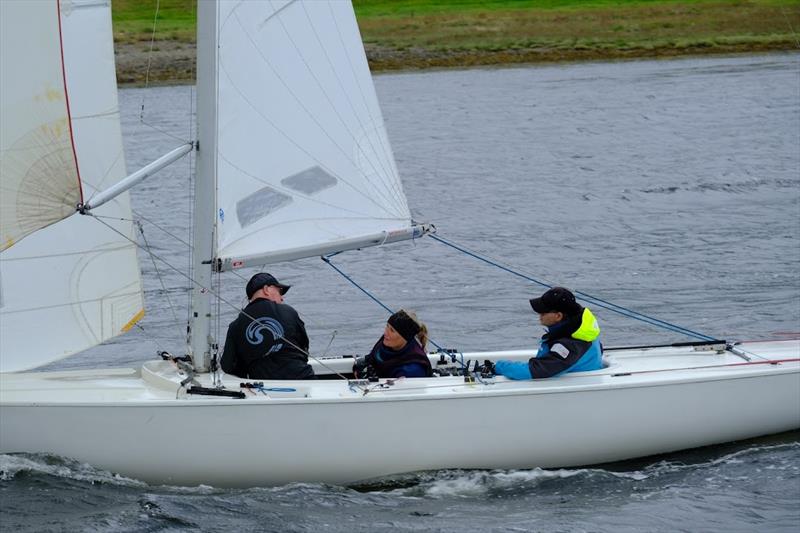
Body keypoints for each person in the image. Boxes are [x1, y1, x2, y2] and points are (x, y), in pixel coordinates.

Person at [220, 272, 315, 380]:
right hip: (303, 380)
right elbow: (304, 347)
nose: (282, 298)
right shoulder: (289, 312)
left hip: (264, 388)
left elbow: (228, 366)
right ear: (266, 289)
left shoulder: (235, 325)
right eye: (279, 292)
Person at [494, 287, 602, 380]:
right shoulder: (581, 330)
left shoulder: (570, 346)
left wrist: (498, 366)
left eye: (544, 312)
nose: (539, 315)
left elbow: (535, 371)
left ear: (558, 316)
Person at [354, 309, 433, 379]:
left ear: (405, 337)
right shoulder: (386, 343)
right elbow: (370, 359)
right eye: (387, 326)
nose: (385, 333)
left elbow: (396, 392)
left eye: (392, 330)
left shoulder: (412, 369)